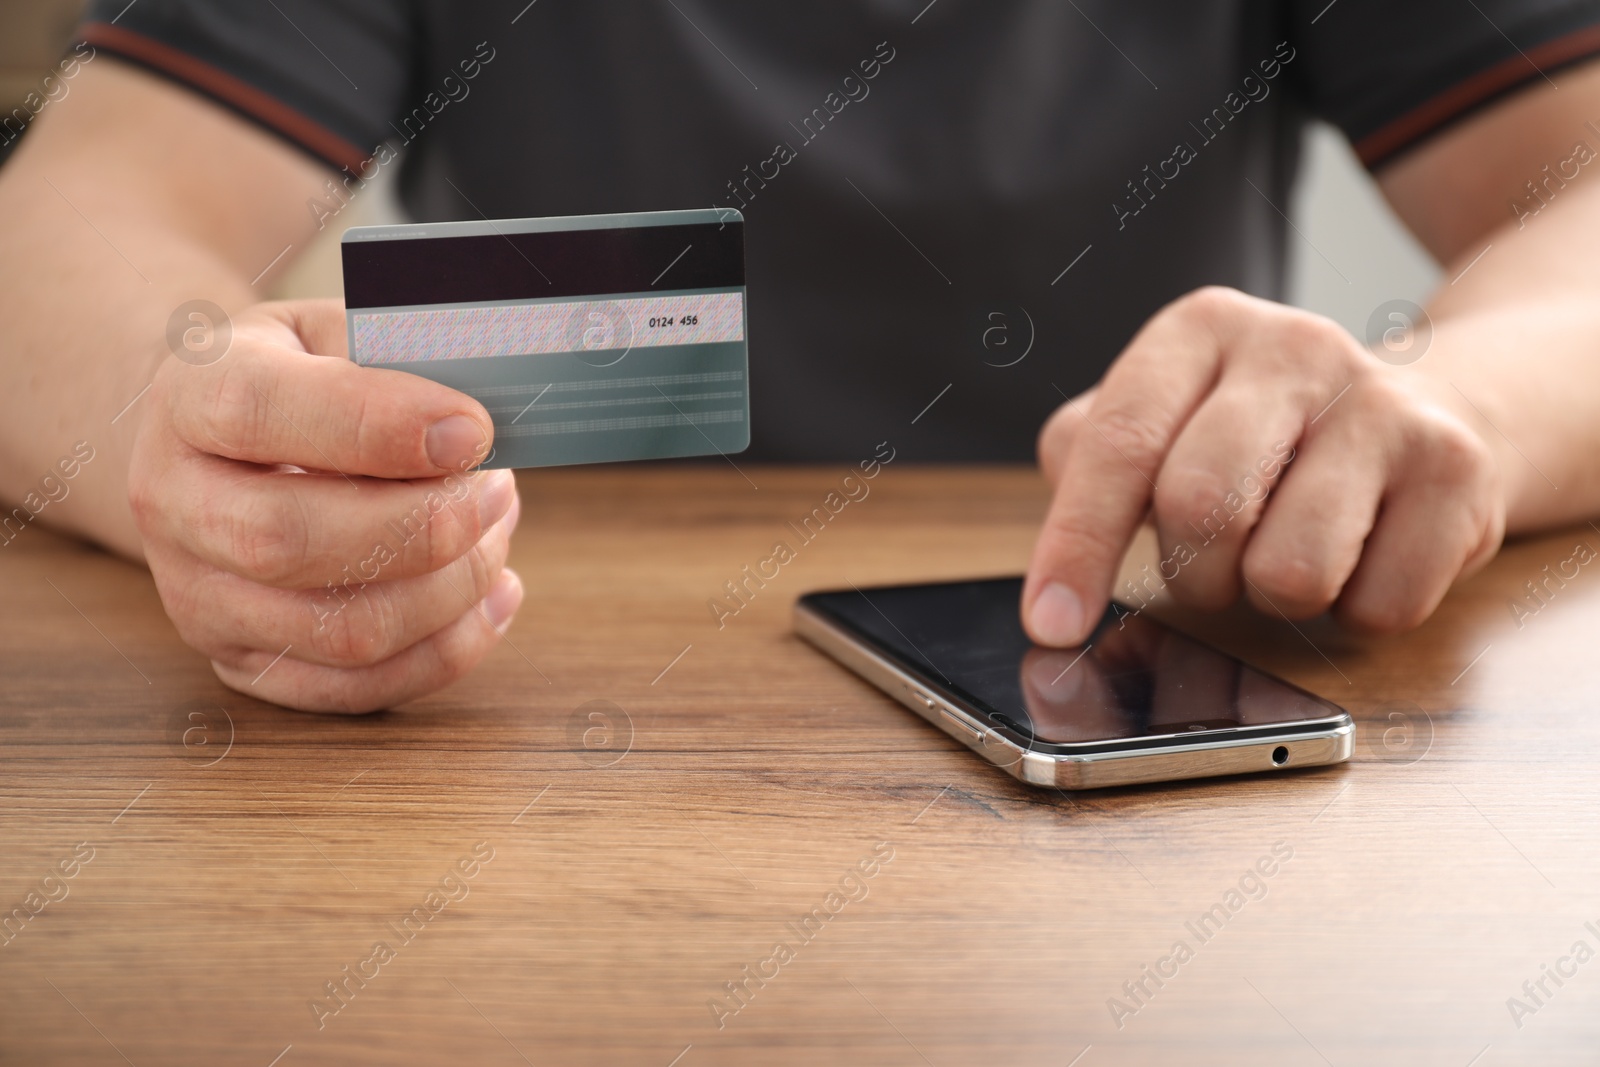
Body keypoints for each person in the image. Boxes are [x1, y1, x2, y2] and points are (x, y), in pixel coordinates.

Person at [3, 1, 1599, 713]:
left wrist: (1455, 401)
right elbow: (56, 238)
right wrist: (193, 439)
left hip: (1147, 707)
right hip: (513, 700)